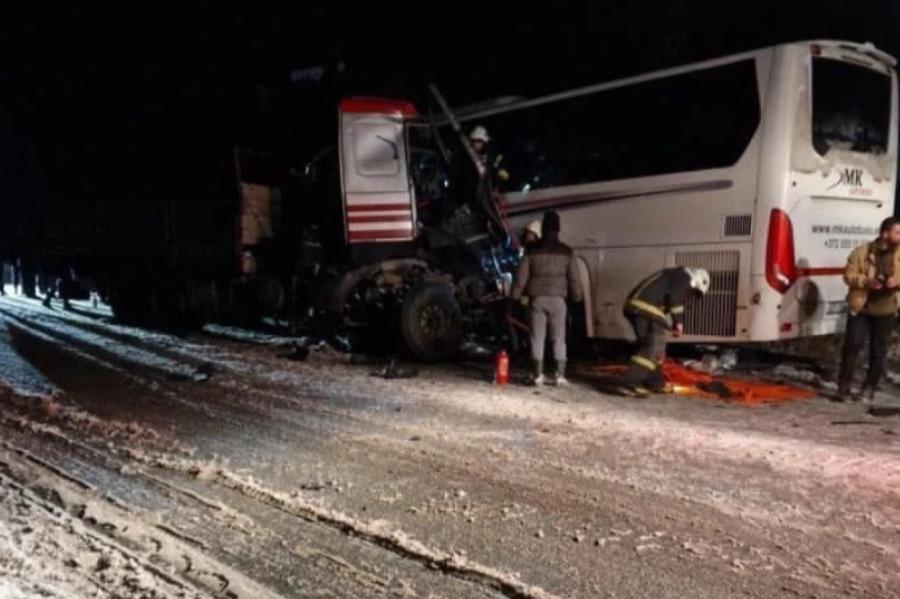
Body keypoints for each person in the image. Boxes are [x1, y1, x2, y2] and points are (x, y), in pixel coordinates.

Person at [511, 210, 582, 386]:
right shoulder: (567, 251)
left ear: (543, 228)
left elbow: (521, 277)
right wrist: (576, 296)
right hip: (559, 301)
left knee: (537, 337)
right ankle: (560, 376)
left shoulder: (531, 250)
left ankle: (537, 375)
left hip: (537, 300)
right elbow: (574, 278)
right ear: (558, 229)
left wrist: (515, 295)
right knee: (559, 338)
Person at [619, 267, 710, 397]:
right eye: (694, 293)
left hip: (638, 307)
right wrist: (678, 322)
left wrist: (669, 324)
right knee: (655, 347)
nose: (690, 295)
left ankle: (656, 384)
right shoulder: (685, 277)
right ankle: (630, 383)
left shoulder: (675, 276)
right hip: (646, 308)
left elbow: (668, 298)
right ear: (695, 282)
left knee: (653, 349)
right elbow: (675, 298)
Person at [837, 217, 900, 401]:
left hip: (886, 309)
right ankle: (844, 387)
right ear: (884, 233)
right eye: (897, 232)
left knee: (878, 350)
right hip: (861, 307)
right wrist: (866, 281)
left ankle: (869, 387)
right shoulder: (861, 252)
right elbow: (848, 275)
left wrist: (896, 281)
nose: (899, 236)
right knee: (853, 345)